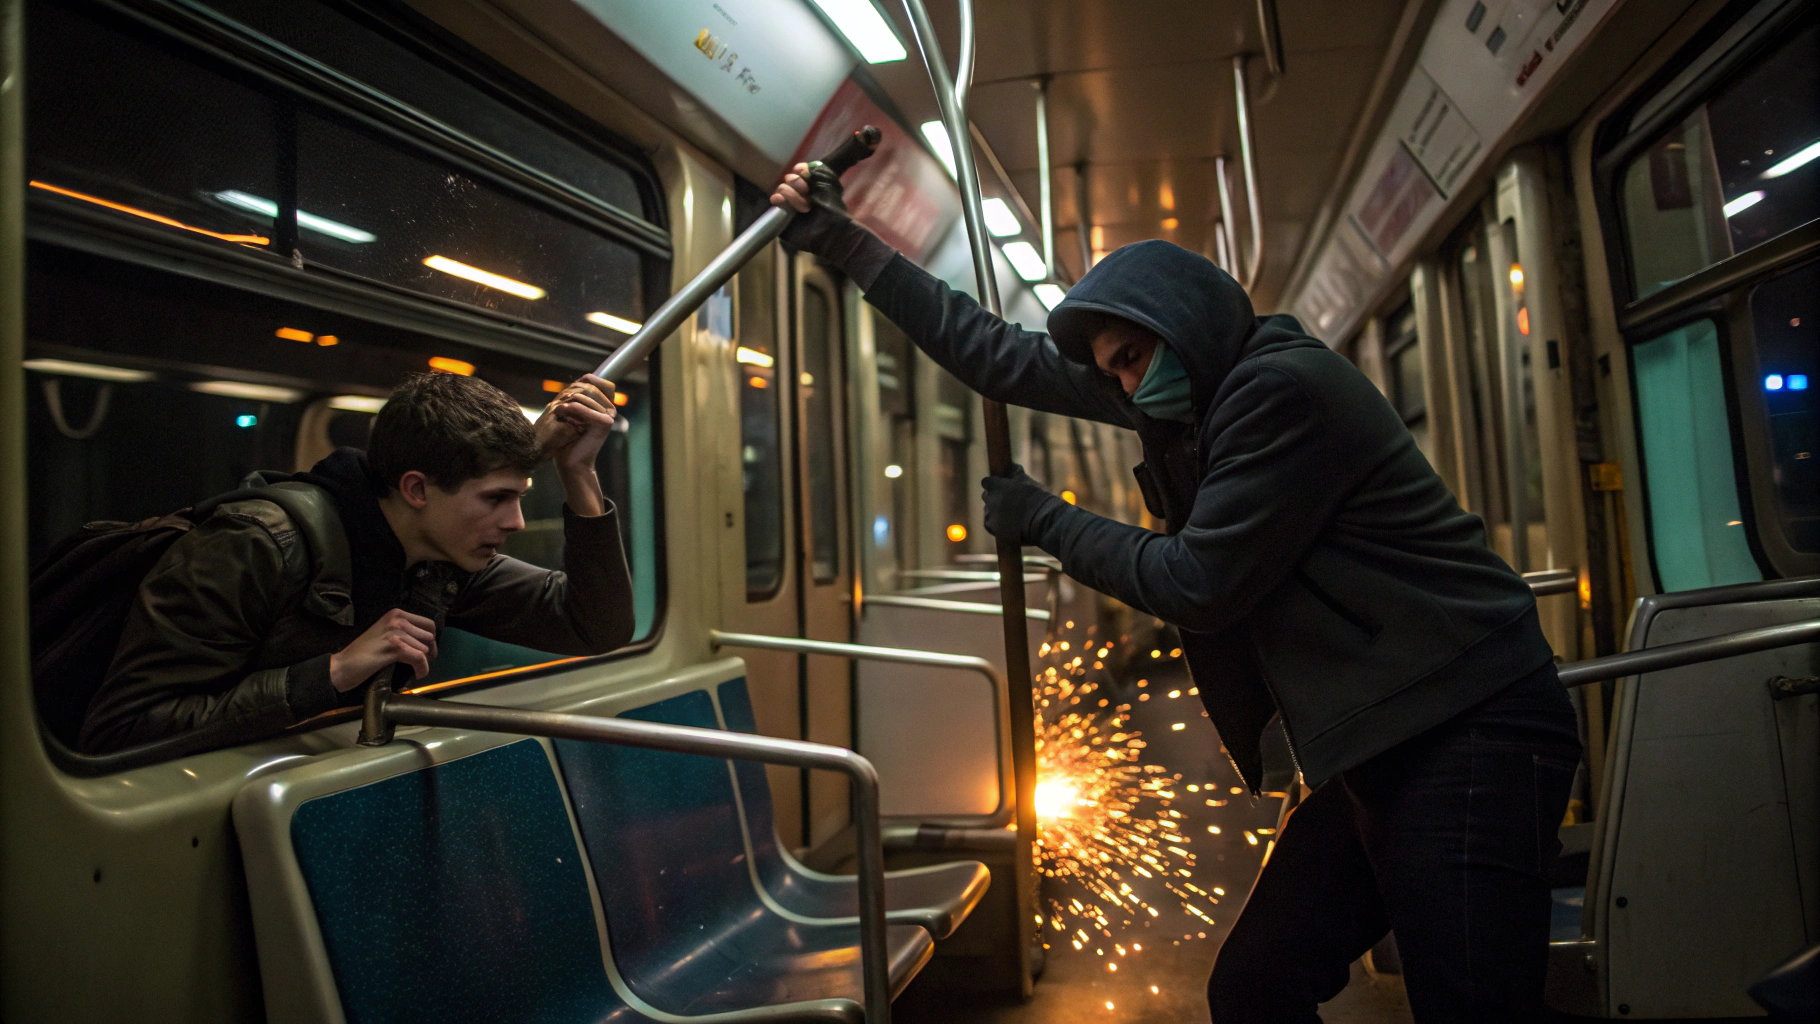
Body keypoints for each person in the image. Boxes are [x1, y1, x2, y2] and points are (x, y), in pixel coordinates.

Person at [771, 167, 1582, 1021]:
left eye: (1130, 360)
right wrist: (848, 242)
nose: (1122, 386)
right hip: (1383, 744)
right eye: (1109, 372)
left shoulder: (1279, 393)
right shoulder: (1184, 393)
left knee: (1470, 1002)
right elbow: (999, 354)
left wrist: (1046, 520)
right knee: (1256, 986)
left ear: (1182, 329)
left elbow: (1198, 582)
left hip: (1470, 730)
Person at [78, 371, 635, 755]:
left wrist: (578, 474)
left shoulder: (438, 561)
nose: (515, 523)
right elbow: (119, 730)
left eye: (520, 496)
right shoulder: (255, 547)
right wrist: (333, 672)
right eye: (495, 499)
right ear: (416, 488)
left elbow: (596, 624)